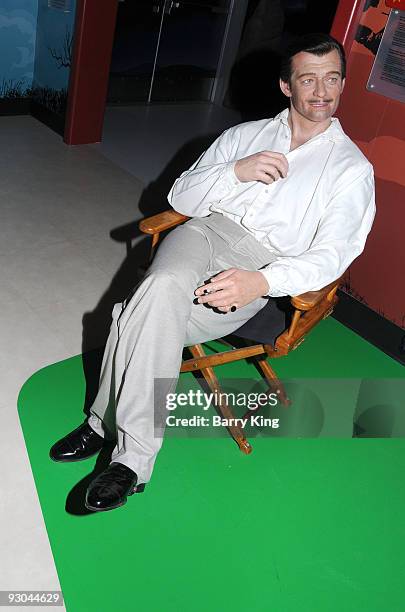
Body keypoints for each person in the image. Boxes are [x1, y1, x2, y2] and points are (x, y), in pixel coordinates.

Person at [50, 33, 376, 512]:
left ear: (344, 84)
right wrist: (234, 173)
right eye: (308, 79)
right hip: (204, 234)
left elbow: (335, 255)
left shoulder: (350, 169)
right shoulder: (244, 137)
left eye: (331, 79)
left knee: (133, 314)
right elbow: (182, 199)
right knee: (161, 285)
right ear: (287, 86)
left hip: (262, 264)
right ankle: (134, 462)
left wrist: (261, 282)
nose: (321, 91)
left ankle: (101, 423)